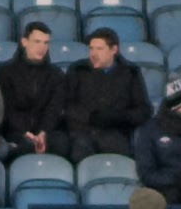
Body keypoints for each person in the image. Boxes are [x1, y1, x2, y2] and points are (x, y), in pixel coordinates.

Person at [65, 29, 152, 160]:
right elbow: (66, 105)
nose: (94, 54)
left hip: (116, 133)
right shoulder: (77, 70)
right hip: (82, 133)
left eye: (99, 49)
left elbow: (143, 110)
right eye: (91, 49)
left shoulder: (130, 72)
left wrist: (115, 118)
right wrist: (90, 117)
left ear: (113, 50)